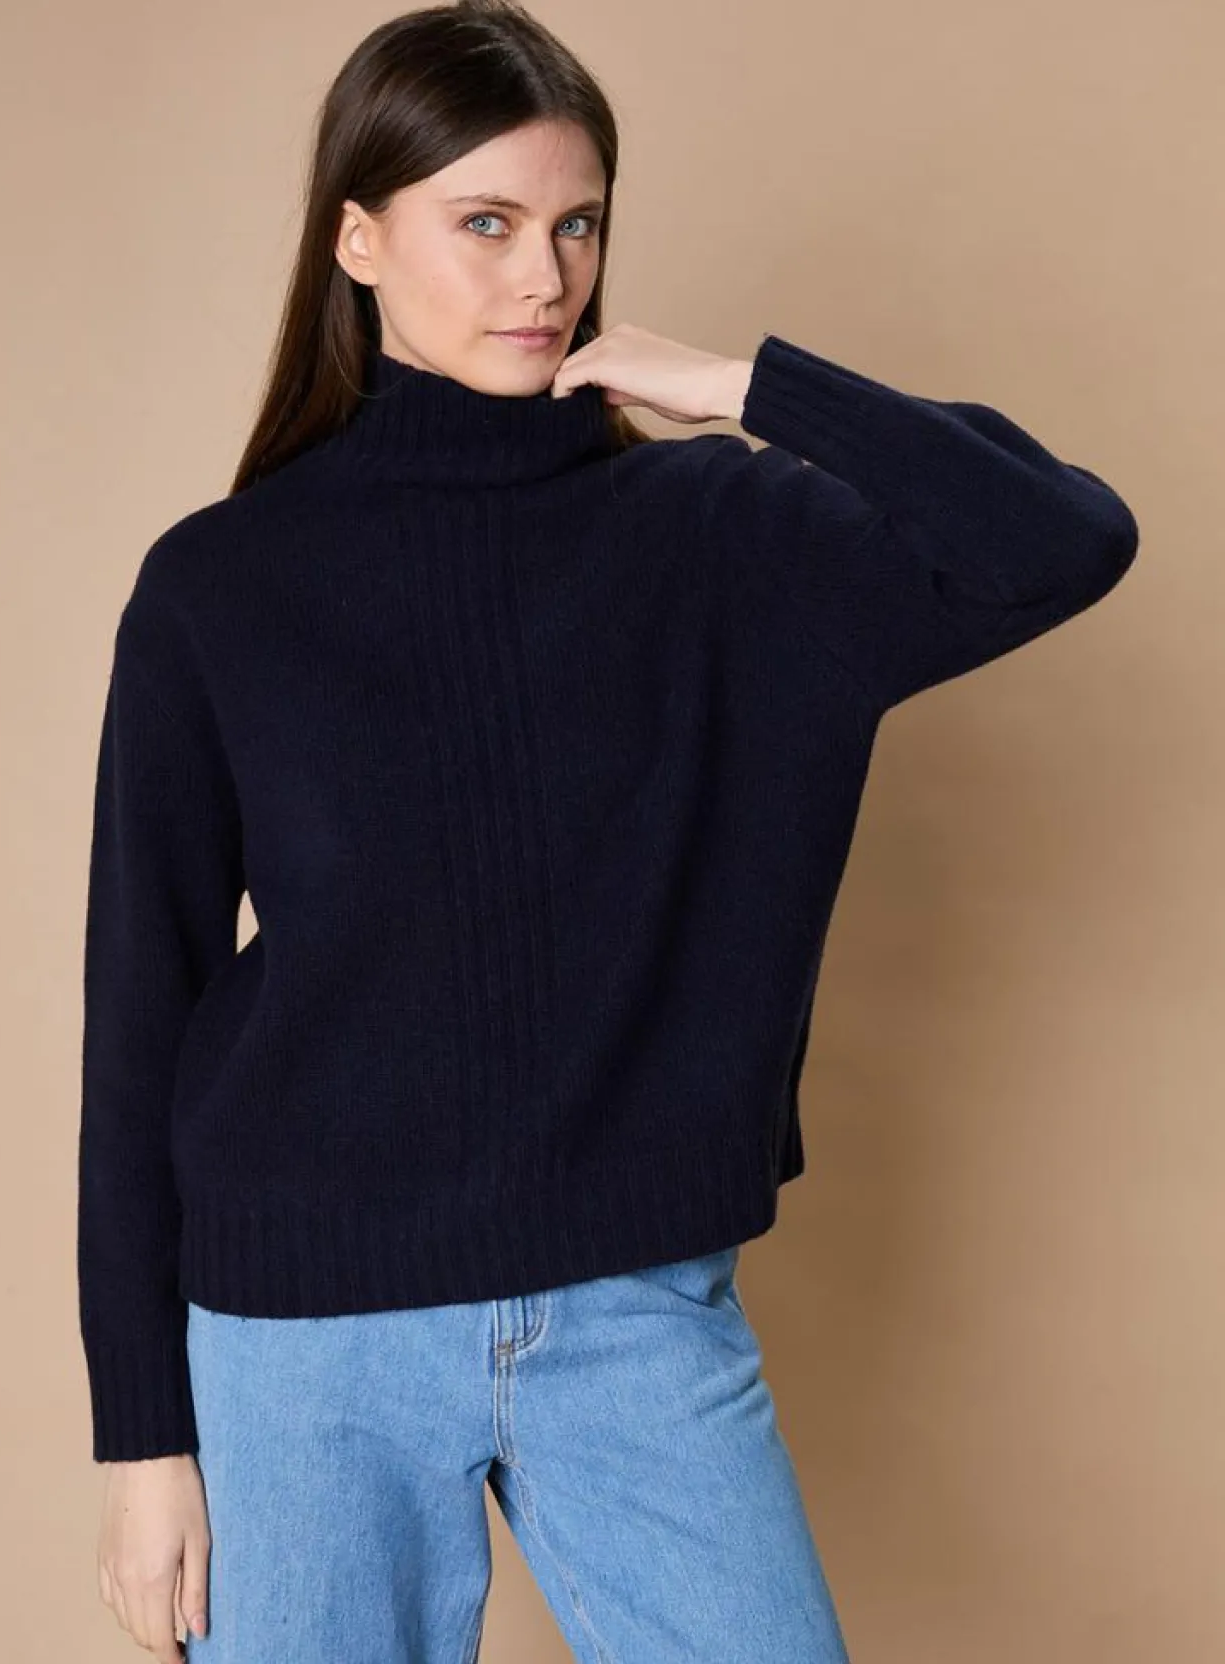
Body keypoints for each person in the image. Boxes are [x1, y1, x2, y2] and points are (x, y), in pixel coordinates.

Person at [77, 3, 1140, 1660]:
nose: (543, 278)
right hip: (304, 1347)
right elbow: (140, 1016)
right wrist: (143, 1438)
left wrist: (743, 388)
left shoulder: (722, 536)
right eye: (485, 223)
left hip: (635, 1314)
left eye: (576, 226)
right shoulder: (221, 584)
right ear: (359, 240)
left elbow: (1063, 538)